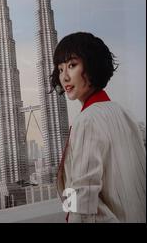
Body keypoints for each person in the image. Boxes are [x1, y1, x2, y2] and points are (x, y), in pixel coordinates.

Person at [52, 32, 146, 223]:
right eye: (60, 69)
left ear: (92, 64)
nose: (65, 77)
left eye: (72, 65)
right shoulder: (124, 113)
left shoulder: (88, 120)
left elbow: (84, 203)